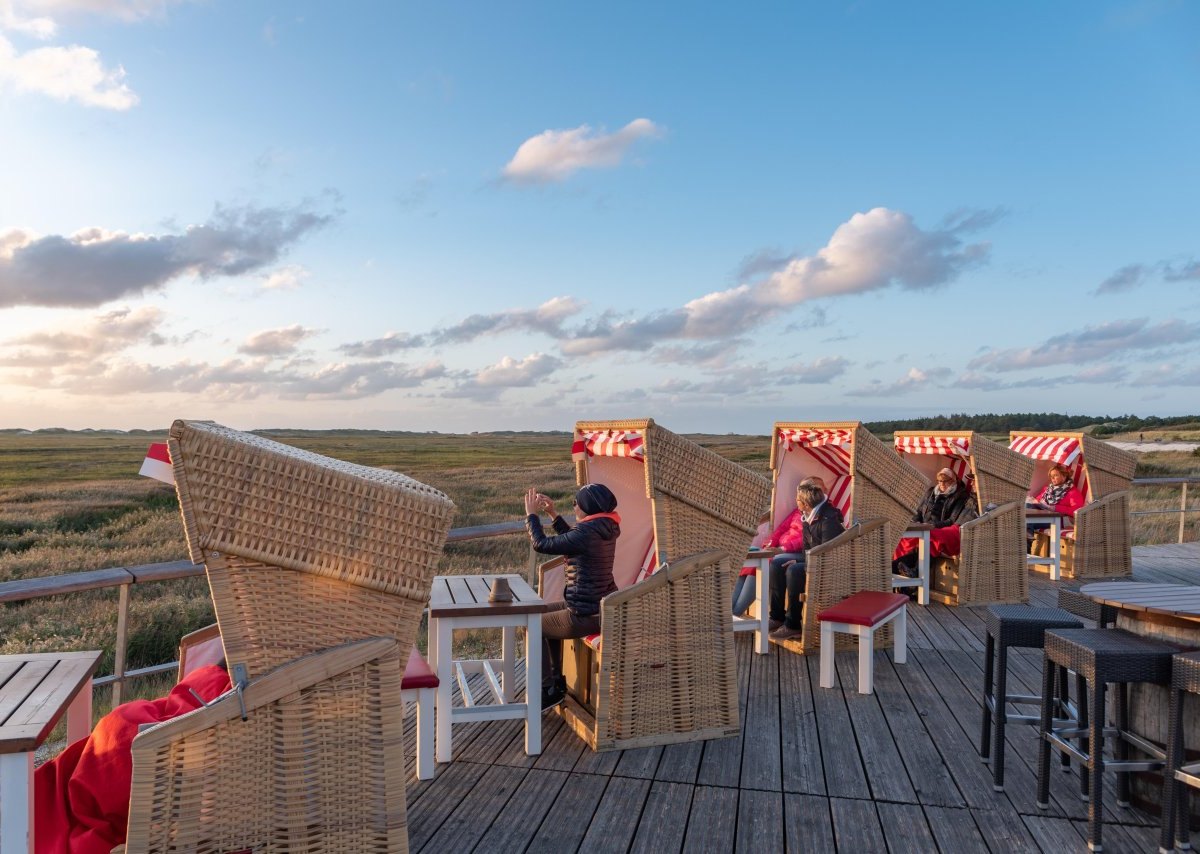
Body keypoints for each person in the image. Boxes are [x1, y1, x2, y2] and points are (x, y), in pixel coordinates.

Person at [524, 483, 620, 710]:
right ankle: (555, 684)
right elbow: (573, 538)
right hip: (599, 608)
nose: (574, 505)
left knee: (530, 624)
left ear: (587, 507)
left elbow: (541, 544)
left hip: (584, 614)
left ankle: (547, 688)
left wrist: (532, 516)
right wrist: (552, 514)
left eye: (576, 502)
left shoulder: (587, 533)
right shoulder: (604, 526)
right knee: (540, 613)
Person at [768, 482, 845, 640]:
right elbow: (806, 549)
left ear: (805, 504)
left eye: (797, 499)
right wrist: (800, 560)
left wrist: (798, 563)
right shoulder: (807, 516)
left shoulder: (828, 519)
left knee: (794, 571)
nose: (795, 502)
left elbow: (827, 552)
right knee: (776, 564)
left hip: (828, 563)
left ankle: (792, 625)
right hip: (812, 557)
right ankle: (777, 617)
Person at [893, 468, 979, 578]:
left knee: (930, 538)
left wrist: (932, 526)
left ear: (953, 481)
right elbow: (919, 511)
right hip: (926, 527)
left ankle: (901, 569)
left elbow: (952, 520)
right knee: (904, 537)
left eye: (945, 480)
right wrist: (916, 522)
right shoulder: (931, 492)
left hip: (946, 528)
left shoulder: (961, 496)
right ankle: (900, 571)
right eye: (940, 480)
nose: (942, 483)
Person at [733, 511, 772, 617]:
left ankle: (733, 615)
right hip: (761, 553)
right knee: (747, 566)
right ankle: (730, 616)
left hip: (773, 555)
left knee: (757, 566)